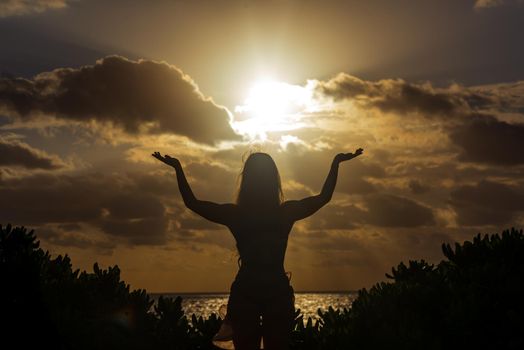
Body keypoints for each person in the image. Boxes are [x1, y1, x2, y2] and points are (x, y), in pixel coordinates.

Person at [152, 148, 364, 350]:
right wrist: (335, 163)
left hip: (249, 291)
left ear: (247, 180)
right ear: (274, 179)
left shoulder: (238, 214)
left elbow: (192, 203)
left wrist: (178, 168)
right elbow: (323, 197)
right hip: (273, 291)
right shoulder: (284, 212)